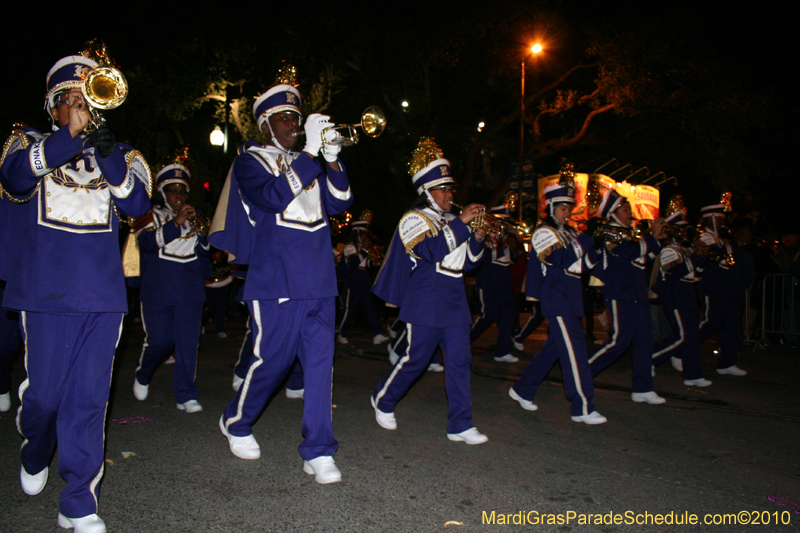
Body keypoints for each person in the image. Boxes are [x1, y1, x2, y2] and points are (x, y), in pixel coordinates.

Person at [0, 49, 151, 533]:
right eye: (72, 96)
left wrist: (105, 152)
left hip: (102, 296)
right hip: (44, 293)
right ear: (53, 105)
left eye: (89, 95)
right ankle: (35, 443)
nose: (83, 105)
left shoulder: (123, 153)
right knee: (44, 397)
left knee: (89, 399)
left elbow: (137, 203)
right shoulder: (25, 142)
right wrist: (68, 138)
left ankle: (79, 501)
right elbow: (15, 178)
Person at [210, 66, 352, 484]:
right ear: (266, 124)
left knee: (320, 368)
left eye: (296, 116)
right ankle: (236, 420)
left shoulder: (308, 162)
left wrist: (332, 156)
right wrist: (310, 156)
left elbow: (341, 202)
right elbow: (272, 198)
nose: (293, 123)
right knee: (271, 361)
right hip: (276, 279)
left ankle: (319, 449)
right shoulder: (250, 161)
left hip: (320, 279)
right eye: (284, 118)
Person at [372, 137, 489, 445]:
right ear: (427, 191)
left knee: (460, 361)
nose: (451, 194)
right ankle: (383, 399)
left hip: (454, 298)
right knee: (416, 360)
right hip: (425, 297)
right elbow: (432, 250)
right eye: (445, 189)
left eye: (452, 189)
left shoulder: (452, 220)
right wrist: (464, 224)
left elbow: (471, 263)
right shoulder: (413, 218)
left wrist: (477, 236)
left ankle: (460, 424)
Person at [509, 173, 606, 424]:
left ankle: (522, 389)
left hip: (571, 297)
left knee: (552, 350)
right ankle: (582, 406)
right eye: (562, 208)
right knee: (576, 352)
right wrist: (586, 239)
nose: (567, 212)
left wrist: (597, 245)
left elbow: (581, 267)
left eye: (569, 208)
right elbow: (560, 259)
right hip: (557, 298)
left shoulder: (571, 233)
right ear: (551, 208)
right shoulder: (543, 233)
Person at [132, 155, 211, 412]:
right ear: (164, 193)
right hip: (159, 289)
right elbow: (145, 244)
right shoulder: (149, 215)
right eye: (173, 191)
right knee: (161, 342)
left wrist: (204, 235)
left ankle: (186, 394)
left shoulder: (195, 216)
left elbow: (206, 252)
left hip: (189, 288)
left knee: (188, 344)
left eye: (182, 191)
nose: (179, 196)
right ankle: (144, 372)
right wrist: (176, 223)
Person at [587, 189, 667, 404]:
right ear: (613, 213)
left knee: (644, 340)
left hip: (637, 292)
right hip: (619, 293)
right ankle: (582, 374)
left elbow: (641, 259)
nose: (630, 213)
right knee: (619, 341)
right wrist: (652, 237)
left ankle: (642, 388)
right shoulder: (609, 232)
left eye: (629, 209)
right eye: (624, 210)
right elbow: (629, 253)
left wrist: (656, 240)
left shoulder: (629, 234)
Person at [650, 200, 711, 387]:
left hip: (688, 295)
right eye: (680, 229)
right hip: (675, 296)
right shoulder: (669, 250)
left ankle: (693, 375)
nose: (684, 233)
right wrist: (694, 256)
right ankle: (650, 359)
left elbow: (695, 274)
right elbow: (675, 274)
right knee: (684, 336)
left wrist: (700, 256)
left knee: (690, 336)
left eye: (685, 229)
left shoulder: (685, 249)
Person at [696, 201, 747, 375]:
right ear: (710, 218)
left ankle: (727, 362)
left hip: (724, 287)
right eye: (719, 218)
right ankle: (681, 350)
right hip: (711, 287)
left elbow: (732, 256)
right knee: (708, 323)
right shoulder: (705, 238)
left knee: (729, 324)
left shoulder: (721, 239)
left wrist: (728, 244)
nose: (722, 221)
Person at [469, 206, 520, 363]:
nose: (500, 226)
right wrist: (496, 241)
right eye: (498, 222)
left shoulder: (506, 238)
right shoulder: (481, 235)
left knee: (507, 317)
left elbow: (512, 260)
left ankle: (502, 351)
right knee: (488, 315)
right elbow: (483, 258)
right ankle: (463, 343)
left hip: (504, 280)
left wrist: (511, 242)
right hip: (487, 281)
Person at [337, 218, 390, 345]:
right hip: (353, 283)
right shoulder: (351, 247)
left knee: (370, 308)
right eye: (365, 236)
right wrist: (367, 256)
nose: (367, 240)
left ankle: (377, 334)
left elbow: (369, 265)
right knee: (349, 309)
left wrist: (375, 259)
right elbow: (354, 263)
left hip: (364, 282)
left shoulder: (362, 249)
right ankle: (342, 333)